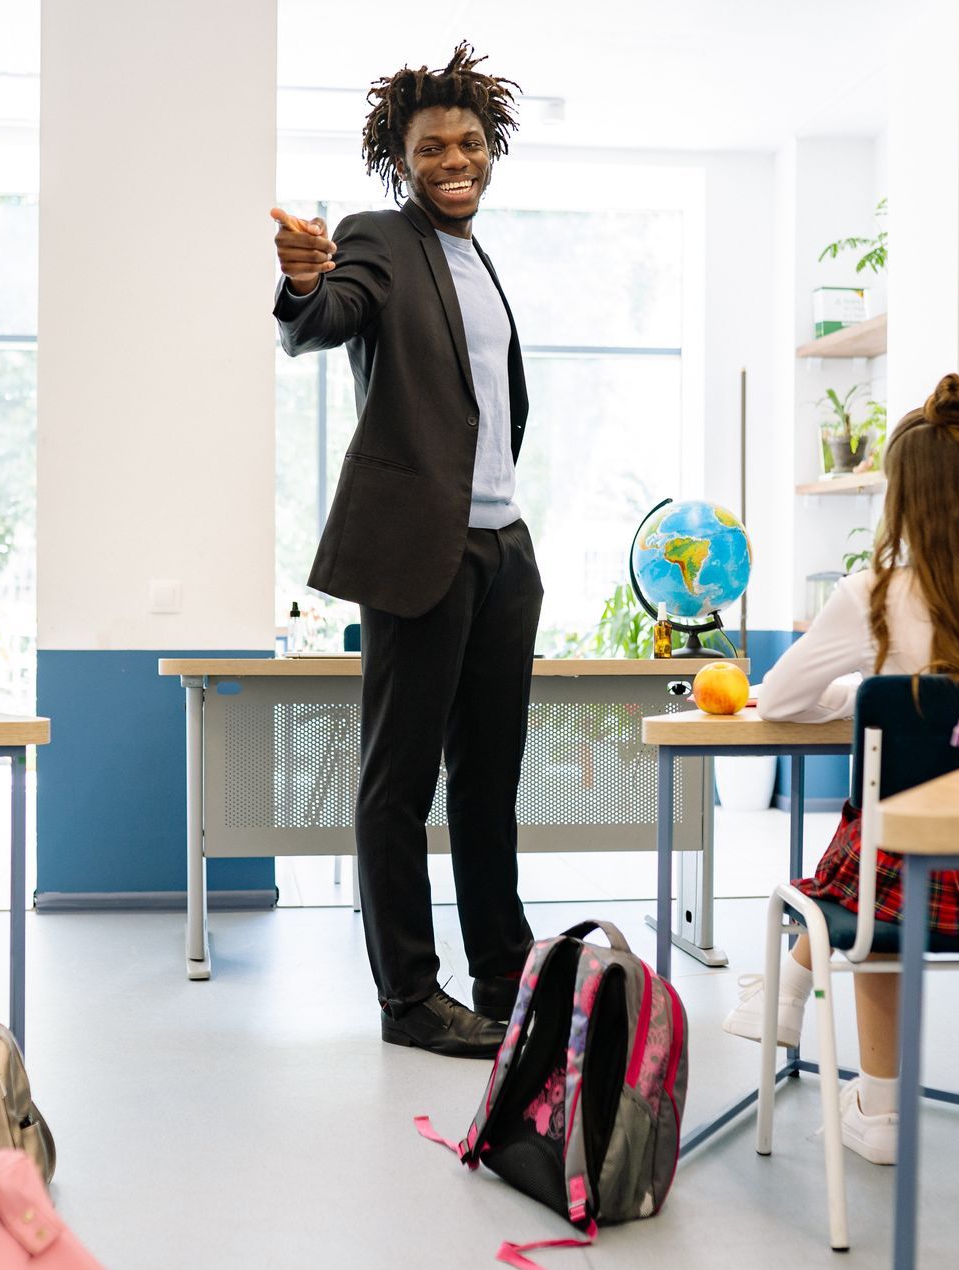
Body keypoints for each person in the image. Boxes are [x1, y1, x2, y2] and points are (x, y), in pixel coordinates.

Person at [731, 372, 959, 1164]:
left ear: (902, 500)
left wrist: (868, 695)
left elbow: (782, 695)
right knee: (886, 849)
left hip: (891, 885)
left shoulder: (876, 595)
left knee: (878, 849)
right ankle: (794, 1009)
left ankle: (877, 1106)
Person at [270, 43, 537, 1059]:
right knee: (399, 781)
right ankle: (411, 996)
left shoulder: (478, 256)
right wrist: (302, 286)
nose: (454, 159)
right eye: (433, 146)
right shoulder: (380, 236)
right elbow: (328, 315)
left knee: (487, 780)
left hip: (503, 550)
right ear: (402, 157)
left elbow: (490, 403)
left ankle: (504, 973)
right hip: (423, 551)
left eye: (469, 143)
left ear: (490, 149)